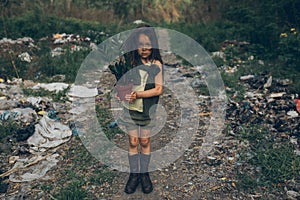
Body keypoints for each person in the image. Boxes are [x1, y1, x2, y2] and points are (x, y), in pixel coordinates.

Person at [117, 25, 163, 194]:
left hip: (147, 111)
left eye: (148, 44)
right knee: (133, 141)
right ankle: (134, 174)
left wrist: (138, 94)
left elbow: (158, 89)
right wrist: (121, 94)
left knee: (144, 141)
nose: (144, 48)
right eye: (140, 44)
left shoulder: (156, 64)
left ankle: (144, 174)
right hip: (130, 109)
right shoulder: (131, 63)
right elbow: (123, 84)